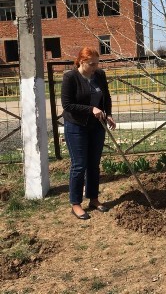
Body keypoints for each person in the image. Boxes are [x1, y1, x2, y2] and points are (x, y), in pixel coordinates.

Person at [61, 47, 116, 220]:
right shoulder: (70, 77)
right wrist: (90, 109)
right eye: (92, 64)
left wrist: (109, 114)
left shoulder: (99, 75)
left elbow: (106, 97)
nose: (95, 67)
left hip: (96, 127)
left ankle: (93, 198)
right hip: (76, 126)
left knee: (94, 164)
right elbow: (67, 105)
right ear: (82, 61)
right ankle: (75, 203)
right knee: (79, 165)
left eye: (97, 63)